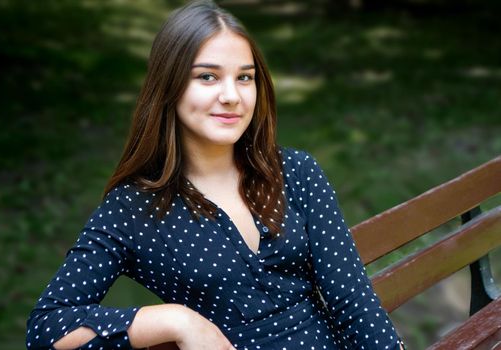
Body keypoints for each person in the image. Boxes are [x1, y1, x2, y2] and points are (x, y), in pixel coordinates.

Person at [26, 1, 405, 349]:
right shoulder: (135, 208)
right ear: (169, 88)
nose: (232, 96)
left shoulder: (296, 172)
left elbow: (352, 299)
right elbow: (47, 326)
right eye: (207, 77)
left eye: (244, 78)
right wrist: (177, 320)